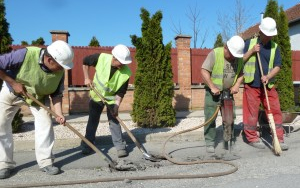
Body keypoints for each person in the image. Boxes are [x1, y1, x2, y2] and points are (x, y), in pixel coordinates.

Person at [0, 40, 74, 179]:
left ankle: (46, 162)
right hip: (12, 92)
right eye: (60, 65)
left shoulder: (60, 71)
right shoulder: (24, 54)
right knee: (1, 125)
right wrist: (14, 83)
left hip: (38, 97)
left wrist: (59, 113)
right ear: (49, 59)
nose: (61, 69)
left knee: (45, 125)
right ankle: (4, 164)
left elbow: (56, 94)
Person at [243, 17, 288, 151]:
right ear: (260, 32)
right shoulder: (249, 43)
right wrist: (251, 51)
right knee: (252, 112)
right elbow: (240, 61)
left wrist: (268, 76)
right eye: (266, 35)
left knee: (275, 110)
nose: (268, 38)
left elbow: (278, 66)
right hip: (252, 84)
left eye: (271, 35)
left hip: (267, 85)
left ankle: (278, 137)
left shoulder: (275, 47)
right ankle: (251, 137)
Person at [81, 44, 132, 158]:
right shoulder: (101, 58)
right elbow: (85, 62)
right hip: (96, 96)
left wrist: (116, 106)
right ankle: (87, 144)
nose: (123, 65)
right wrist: (86, 77)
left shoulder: (126, 72)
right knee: (93, 120)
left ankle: (120, 147)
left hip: (111, 99)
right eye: (121, 62)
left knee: (114, 121)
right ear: (114, 58)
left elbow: (121, 91)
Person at [201, 35, 245, 153]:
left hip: (228, 93)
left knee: (230, 119)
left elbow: (241, 73)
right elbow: (204, 70)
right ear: (226, 47)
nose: (234, 57)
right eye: (232, 54)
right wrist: (212, 86)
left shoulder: (238, 57)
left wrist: (236, 85)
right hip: (213, 94)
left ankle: (227, 141)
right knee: (210, 118)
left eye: (236, 55)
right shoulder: (215, 54)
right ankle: (210, 142)